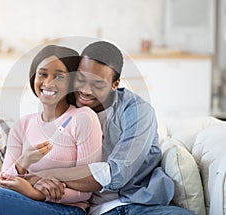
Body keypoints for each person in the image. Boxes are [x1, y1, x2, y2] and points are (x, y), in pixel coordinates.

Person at [29, 41, 196, 215]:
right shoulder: (66, 106)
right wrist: (39, 179)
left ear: (115, 84)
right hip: (81, 207)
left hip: (136, 203)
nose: (85, 90)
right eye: (81, 79)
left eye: (98, 84)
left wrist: (46, 174)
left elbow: (117, 174)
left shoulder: (137, 111)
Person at [0, 45, 103, 215]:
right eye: (42, 74)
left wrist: (36, 193)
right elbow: (3, 183)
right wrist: (24, 161)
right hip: (26, 205)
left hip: (67, 210)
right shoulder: (23, 124)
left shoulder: (83, 118)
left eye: (59, 76)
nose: (48, 83)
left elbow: (87, 188)